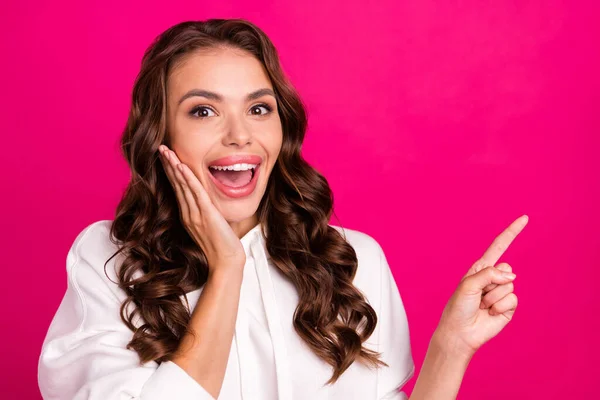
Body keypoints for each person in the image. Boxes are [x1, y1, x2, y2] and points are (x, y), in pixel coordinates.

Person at [37, 18, 528, 400]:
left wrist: (450, 346)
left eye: (259, 108)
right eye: (203, 111)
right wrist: (227, 268)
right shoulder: (109, 258)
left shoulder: (353, 259)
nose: (240, 135)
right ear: (160, 134)